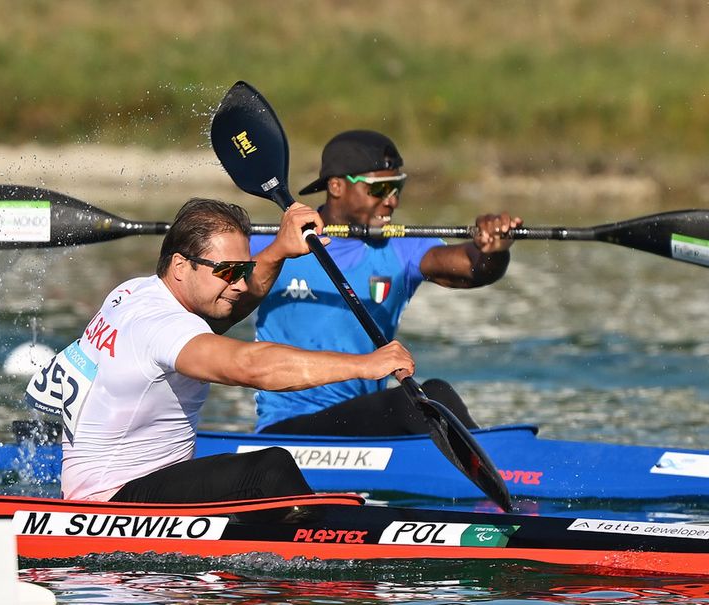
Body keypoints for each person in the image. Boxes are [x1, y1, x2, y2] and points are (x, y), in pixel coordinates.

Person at [26, 197, 415, 502]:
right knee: (269, 468)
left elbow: (232, 306)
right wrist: (365, 365)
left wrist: (278, 250)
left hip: (117, 490)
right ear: (181, 266)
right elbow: (251, 367)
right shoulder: (162, 328)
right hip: (115, 503)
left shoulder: (134, 292)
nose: (241, 285)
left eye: (243, 271)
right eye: (228, 272)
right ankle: (331, 544)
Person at [249, 130, 521, 436]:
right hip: (287, 428)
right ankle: (504, 475)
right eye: (381, 189)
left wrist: (493, 251)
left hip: (364, 422)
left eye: (397, 187)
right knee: (426, 400)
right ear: (336, 186)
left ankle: (501, 469)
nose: (392, 201)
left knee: (431, 395)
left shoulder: (402, 249)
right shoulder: (272, 245)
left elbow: (474, 269)